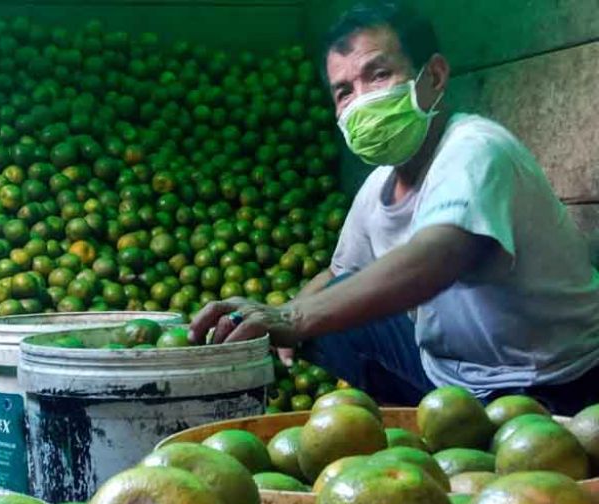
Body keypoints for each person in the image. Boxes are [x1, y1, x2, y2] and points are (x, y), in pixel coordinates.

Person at [188, 1, 599, 413]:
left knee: (320, 315)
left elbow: (438, 257)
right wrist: (273, 322)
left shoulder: (476, 149)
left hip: (546, 381)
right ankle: (405, 423)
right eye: (344, 91)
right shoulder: (379, 185)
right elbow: (338, 274)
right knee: (333, 307)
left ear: (434, 76)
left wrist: (294, 319)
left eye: (379, 75)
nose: (361, 100)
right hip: (447, 376)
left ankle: (447, 431)